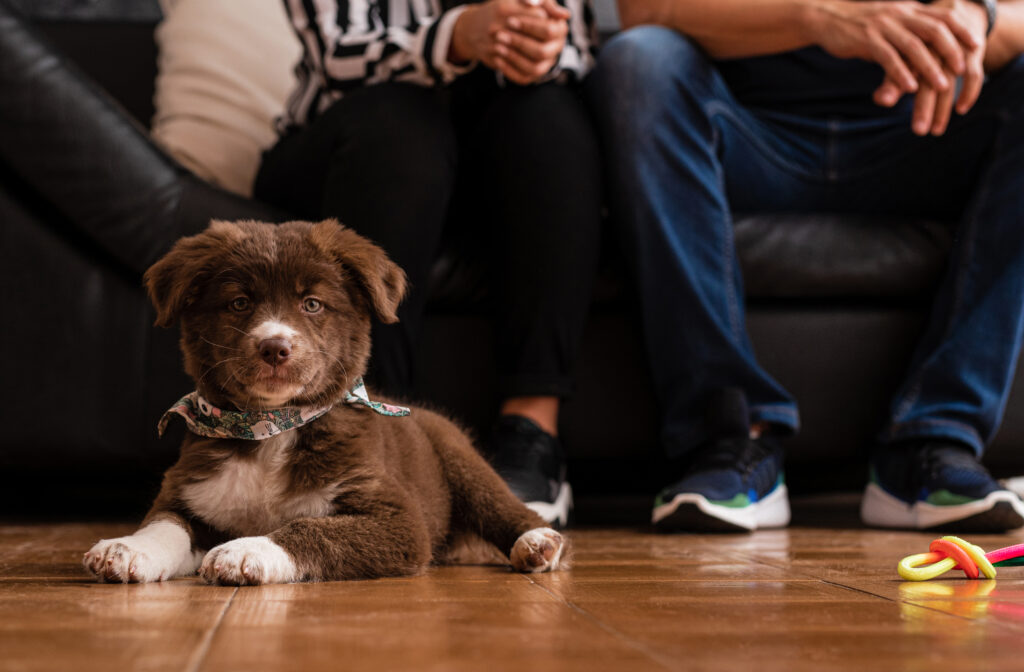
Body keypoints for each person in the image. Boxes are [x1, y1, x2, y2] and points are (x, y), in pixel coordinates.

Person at [588, 0, 1024, 532]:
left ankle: (934, 439)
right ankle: (732, 437)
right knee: (640, 59)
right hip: (744, 135)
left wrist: (979, 18)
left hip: (924, 136)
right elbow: (642, 12)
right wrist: (817, 18)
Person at [254, 0, 603, 528]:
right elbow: (338, 56)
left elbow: (581, 54)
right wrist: (458, 36)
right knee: (401, 121)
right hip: (356, 143)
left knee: (546, 115)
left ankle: (532, 431)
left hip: (498, 152)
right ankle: (374, 424)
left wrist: (536, 45)